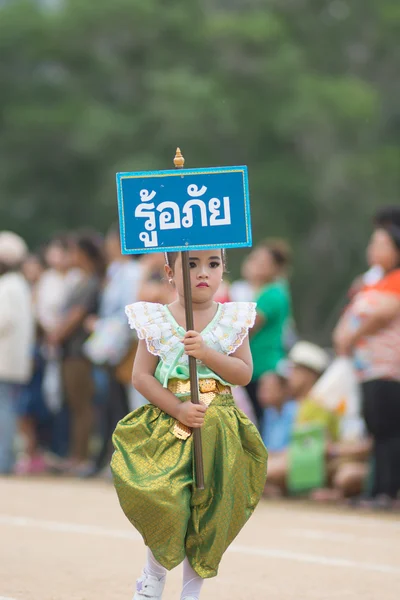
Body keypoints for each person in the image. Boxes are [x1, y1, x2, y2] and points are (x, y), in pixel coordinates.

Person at [111, 249, 268, 600]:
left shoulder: (233, 318)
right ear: (170, 272)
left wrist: (208, 354)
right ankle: (153, 575)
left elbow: (243, 373)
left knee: (210, 507)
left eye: (213, 264)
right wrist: (178, 409)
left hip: (220, 425)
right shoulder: (158, 319)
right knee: (169, 501)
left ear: (224, 270)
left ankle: (191, 590)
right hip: (172, 424)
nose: (203, 272)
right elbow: (141, 377)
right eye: (192, 264)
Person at [334, 220, 400, 506]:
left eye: (381, 243)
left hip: (389, 368)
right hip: (366, 369)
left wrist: (354, 335)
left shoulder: (396, 279)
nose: (373, 249)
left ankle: (387, 491)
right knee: (375, 428)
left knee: (388, 429)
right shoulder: (371, 282)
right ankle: (376, 490)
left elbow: (383, 314)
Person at [48, 232, 105, 475]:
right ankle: (76, 455)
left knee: (82, 405)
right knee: (74, 404)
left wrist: (56, 334)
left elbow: (77, 314)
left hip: (80, 353)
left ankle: (82, 457)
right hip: (69, 352)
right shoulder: (81, 280)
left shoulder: (92, 281)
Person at [265, 342, 336, 494]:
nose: (289, 376)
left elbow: (312, 447)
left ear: (309, 374)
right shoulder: (298, 404)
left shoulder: (319, 404)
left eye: (295, 370)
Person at [245, 239, 293, 429]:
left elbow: (248, 327)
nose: (254, 266)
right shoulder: (261, 292)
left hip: (264, 367)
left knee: (261, 421)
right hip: (256, 365)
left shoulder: (272, 294)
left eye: (262, 263)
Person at [0, 232, 34, 474]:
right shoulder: (20, 284)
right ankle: (7, 459)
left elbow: (3, 320)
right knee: (9, 409)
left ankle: (4, 460)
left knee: (5, 410)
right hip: (16, 360)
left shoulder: (6, 286)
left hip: (4, 359)